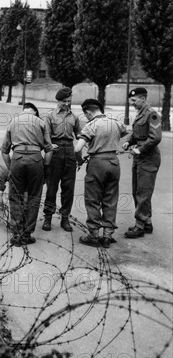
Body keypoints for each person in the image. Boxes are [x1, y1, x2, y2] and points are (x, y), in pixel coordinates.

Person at [74, 99, 128, 248]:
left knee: (93, 199)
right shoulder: (115, 122)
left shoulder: (91, 125)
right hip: (114, 162)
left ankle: (93, 235)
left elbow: (78, 149)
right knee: (110, 199)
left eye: (86, 115)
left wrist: (79, 161)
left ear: (88, 112)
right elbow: (125, 132)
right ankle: (107, 236)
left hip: (97, 164)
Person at [1, 103, 54, 247]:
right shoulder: (41, 122)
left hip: (17, 158)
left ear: (23, 110)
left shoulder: (13, 122)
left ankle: (17, 234)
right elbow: (49, 150)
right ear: (35, 112)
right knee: (34, 197)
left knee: (15, 196)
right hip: (36, 159)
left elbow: (4, 151)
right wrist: (46, 167)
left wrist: (10, 167)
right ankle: (27, 233)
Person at [122, 87, 162, 238]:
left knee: (143, 193)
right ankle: (148, 223)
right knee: (138, 190)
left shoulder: (151, 114)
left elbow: (156, 137)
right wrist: (129, 142)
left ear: (143, 99)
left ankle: (139, 226)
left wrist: (141, 149)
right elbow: (138, 133)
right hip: (140, 157)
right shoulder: (140, 113)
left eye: (134, 100)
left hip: (149, 158)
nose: (131, 104)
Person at [42, 87, 82, 232]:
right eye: (64, 101)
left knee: (68, 188)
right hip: (56, 152)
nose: (67, 104)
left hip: (70, 152)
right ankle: (48, 218)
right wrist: (49, 146)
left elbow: (80, 136)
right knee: (52, 187)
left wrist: (80, 156)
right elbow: (45, 137)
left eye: (69, 101)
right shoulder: (49, 116)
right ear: (58, 101)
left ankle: (65, 219)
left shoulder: (74, 117)